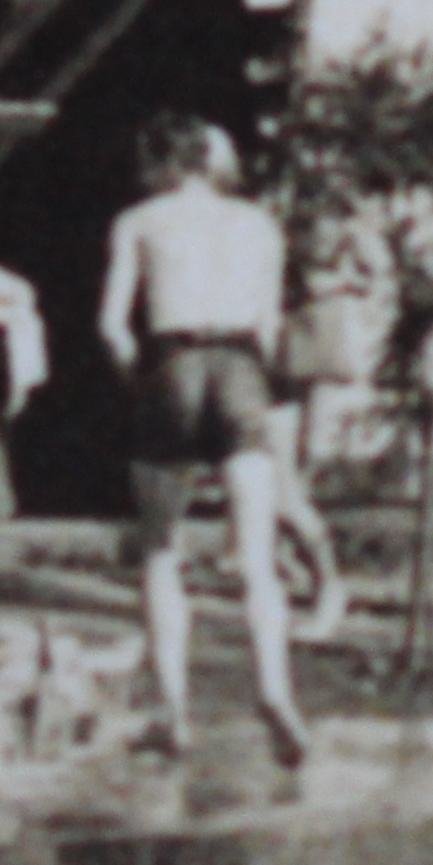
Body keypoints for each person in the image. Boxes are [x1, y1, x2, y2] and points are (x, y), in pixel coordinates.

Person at [93, 115, 315, 772]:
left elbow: (110, 327)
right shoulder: (259, 224)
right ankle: (274, 691)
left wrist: (144, 383)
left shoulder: (138, 221)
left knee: (161, 549)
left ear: (162, 164)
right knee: (256, 555)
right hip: (243, 368)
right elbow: (272, 331)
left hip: (173, 362)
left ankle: (172, 714)